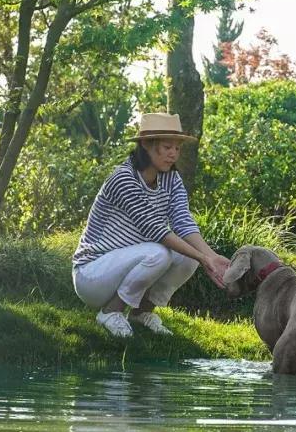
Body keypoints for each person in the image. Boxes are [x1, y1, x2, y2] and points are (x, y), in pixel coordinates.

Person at [72, 113, 231, 337]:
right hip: (92, 274)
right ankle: (110, 312)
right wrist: (204, 259)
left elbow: (183, 221)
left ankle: (141, 313)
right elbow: (156, 230)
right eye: (167, 147)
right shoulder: (124, 178)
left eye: (177, 148)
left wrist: (211, 257)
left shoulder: (171, 179)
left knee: (188, 258)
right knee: (159, 253)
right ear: (146, 144)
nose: (173, 154)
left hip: (131, 261)